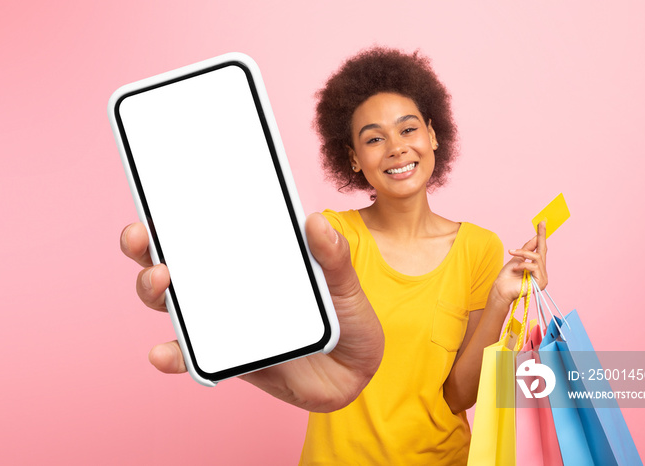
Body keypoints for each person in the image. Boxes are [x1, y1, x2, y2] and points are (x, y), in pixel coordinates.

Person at [119, 47, 548, 465]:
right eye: (374, 138)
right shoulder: (332, 237)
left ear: (433, 135)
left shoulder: (479, 247)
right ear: (354, 159)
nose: (396, 148)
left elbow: (459, 395)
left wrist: (500, 301)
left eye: (408, 129)